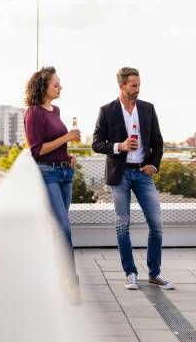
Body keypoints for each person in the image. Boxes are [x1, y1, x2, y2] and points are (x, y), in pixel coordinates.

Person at [92, 67, 174, 290]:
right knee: (122, 225)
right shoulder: (107, 110)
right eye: (134, 85)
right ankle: (130, 273)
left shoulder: (147, 109)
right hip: (120, 174)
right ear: (122, 86)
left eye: (139, 85)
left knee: (156, 225)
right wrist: (120, 146)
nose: (138, 89)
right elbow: (96, 144)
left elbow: (158, 142)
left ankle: (154, 274)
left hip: (143, 173)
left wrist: (154, 166)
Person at [23, 66, 81, 302]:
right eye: (56, 84)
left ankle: (54, 276)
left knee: (59, 230)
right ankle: (71, 283)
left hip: (66, 174)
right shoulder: (34, 113)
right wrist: (66, 138)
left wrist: (68, 156)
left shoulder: (55, 110)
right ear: (43, 87)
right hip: (48, 175)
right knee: (63, 229)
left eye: (60, 84)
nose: (60, 87)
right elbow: (36, 150)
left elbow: (57, 146)